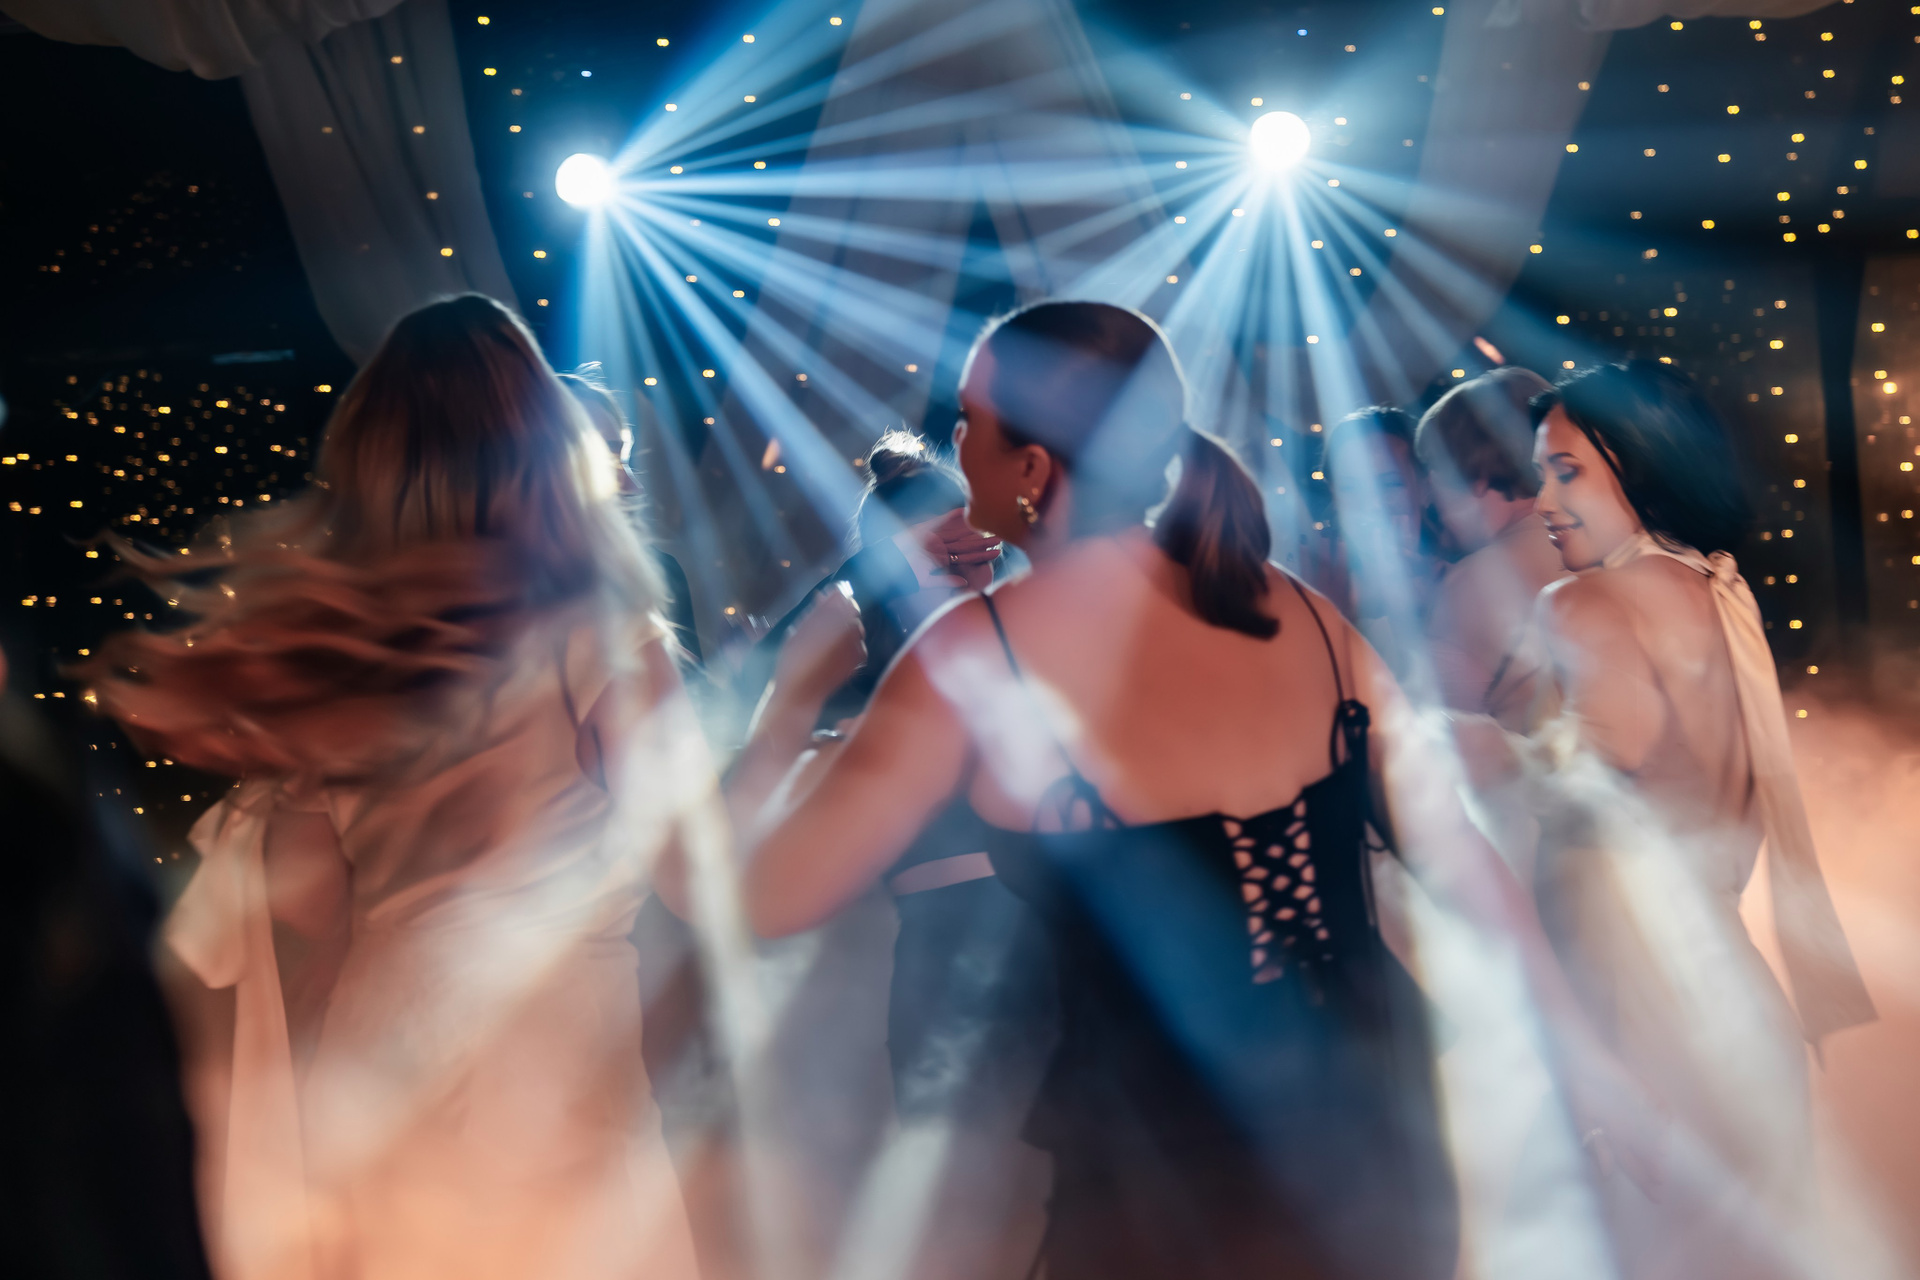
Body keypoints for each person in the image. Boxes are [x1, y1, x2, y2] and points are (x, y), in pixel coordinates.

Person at [721, 301, 1645, 1280]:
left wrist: (790, 702)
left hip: (1167, 1181)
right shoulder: (1303, 612)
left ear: (1032, 466)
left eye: (972, 421)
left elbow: (764, 898)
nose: (956, 442)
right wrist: (1590, 1073)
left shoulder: (981, 652)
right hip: (1384, 1146)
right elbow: (1461, 862)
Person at [78, 296, 706, 1280]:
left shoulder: (346, 654)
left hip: (378, 1049)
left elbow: (309, 912)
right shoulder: (600, 629)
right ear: (542, 444)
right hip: (551, 1047)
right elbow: (697, 864)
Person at [1526, 361, 1875, 1280]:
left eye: (1566, 472)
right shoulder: (1713, 592)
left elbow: (1593, 812)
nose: (1541, 502)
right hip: (1740, 1010)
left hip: (1648, 1026)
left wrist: (1482, 759)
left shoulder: (1583, 602)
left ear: (1640, 465)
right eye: (1540, 475)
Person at [739, 431, 1053, 1280]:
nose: (974, 547)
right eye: (944, 538)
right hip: (934, 925)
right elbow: (792, 754)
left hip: (1043, 925)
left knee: (1042, 1177)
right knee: (961, 1177)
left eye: (975, 530)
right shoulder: (863, 631)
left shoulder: (1019, 616)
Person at [1416, 367, 1566, 731]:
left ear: (1468, 473)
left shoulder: (1471, 582)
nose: (1430, 498)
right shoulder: (1602, 549)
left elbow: (1443, 736)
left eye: (1435, 469)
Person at [559, 366, 705, 673]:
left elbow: (702, 701)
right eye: (609, 461)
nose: (634, 486)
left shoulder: (663, 574)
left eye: (625, 460)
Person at [1322, 405, 1443, 683]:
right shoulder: (1314, 586)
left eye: (1389, 484)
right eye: (1350, 487)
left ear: (1425, 487)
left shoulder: (1464, 583)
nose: (1372, 504)